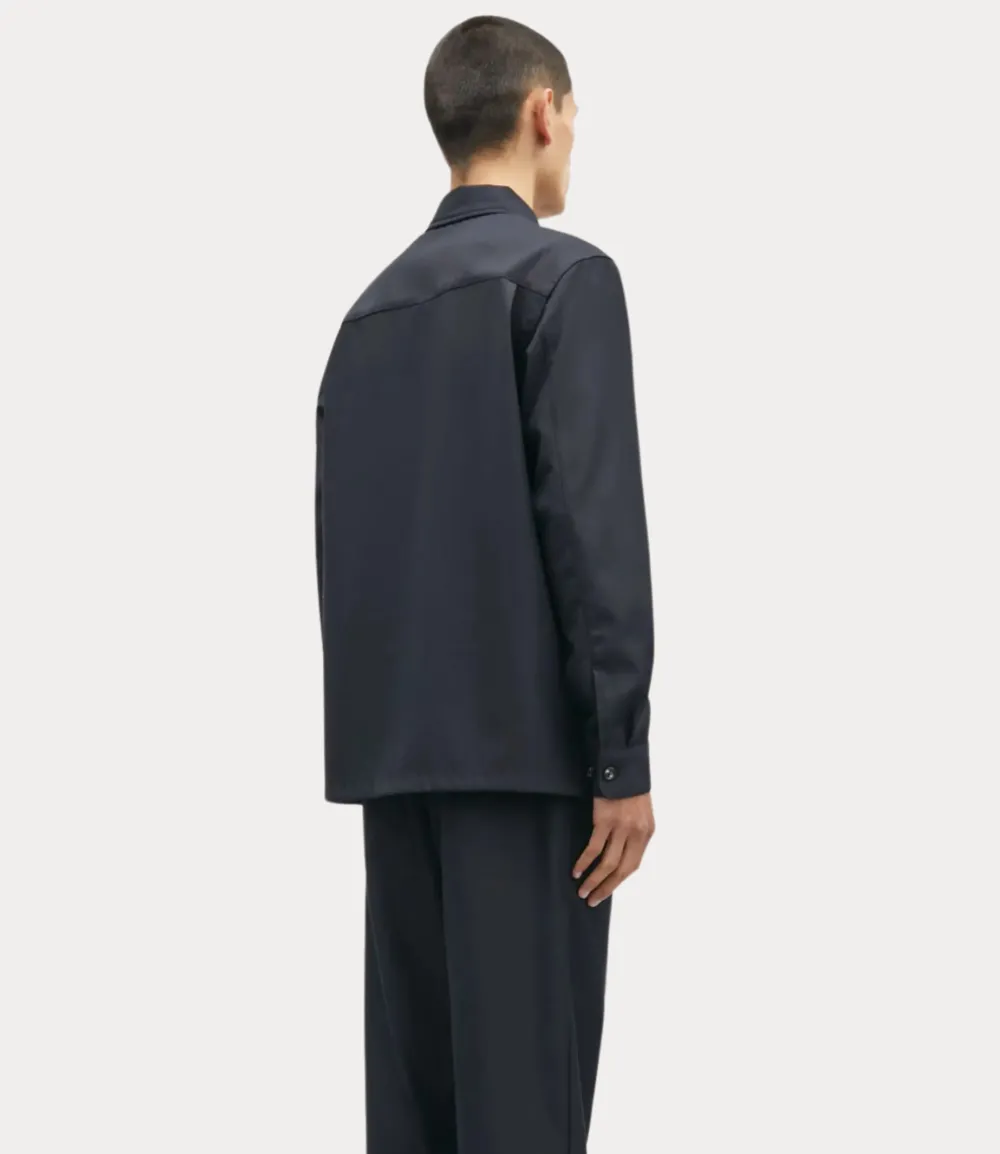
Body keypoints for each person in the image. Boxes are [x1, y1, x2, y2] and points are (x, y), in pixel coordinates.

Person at [315, 15, 655, 1153]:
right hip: (530, 781)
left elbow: (345, 546)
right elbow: (591, 528)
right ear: (541, 111)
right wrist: (619, 758)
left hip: (395, 782)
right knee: (524, 1117)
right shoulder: (563, 279)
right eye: (574, 118)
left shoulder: (366, 314)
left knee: (418, 1119)